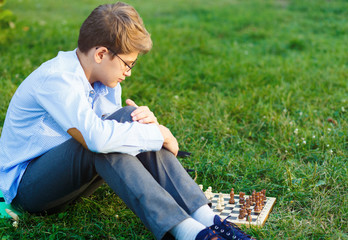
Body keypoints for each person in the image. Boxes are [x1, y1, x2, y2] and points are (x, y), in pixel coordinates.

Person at [0, 2, 256, 240]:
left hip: (69, 181)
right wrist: (158, 135)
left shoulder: (104, 82)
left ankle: (207, 218)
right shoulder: (57, 79)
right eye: (127, 63)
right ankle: (188, 232)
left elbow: (113, 137)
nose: (129, 72)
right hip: (29, 189)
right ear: (101, 54)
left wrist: (147, 128)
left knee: (124, 123)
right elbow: (97, 140)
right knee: (103, 137)